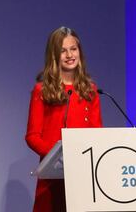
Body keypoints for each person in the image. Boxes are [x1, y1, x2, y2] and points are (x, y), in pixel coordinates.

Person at [25, 27, 103, 212]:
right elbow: (32, 136)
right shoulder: (42, 90)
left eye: (73, 49)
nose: (69, 55)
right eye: (63, 50)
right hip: (53, 176)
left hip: (83, 175)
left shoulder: (90, 90)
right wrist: (57, 157)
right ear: (54, 55)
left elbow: (97, 133)